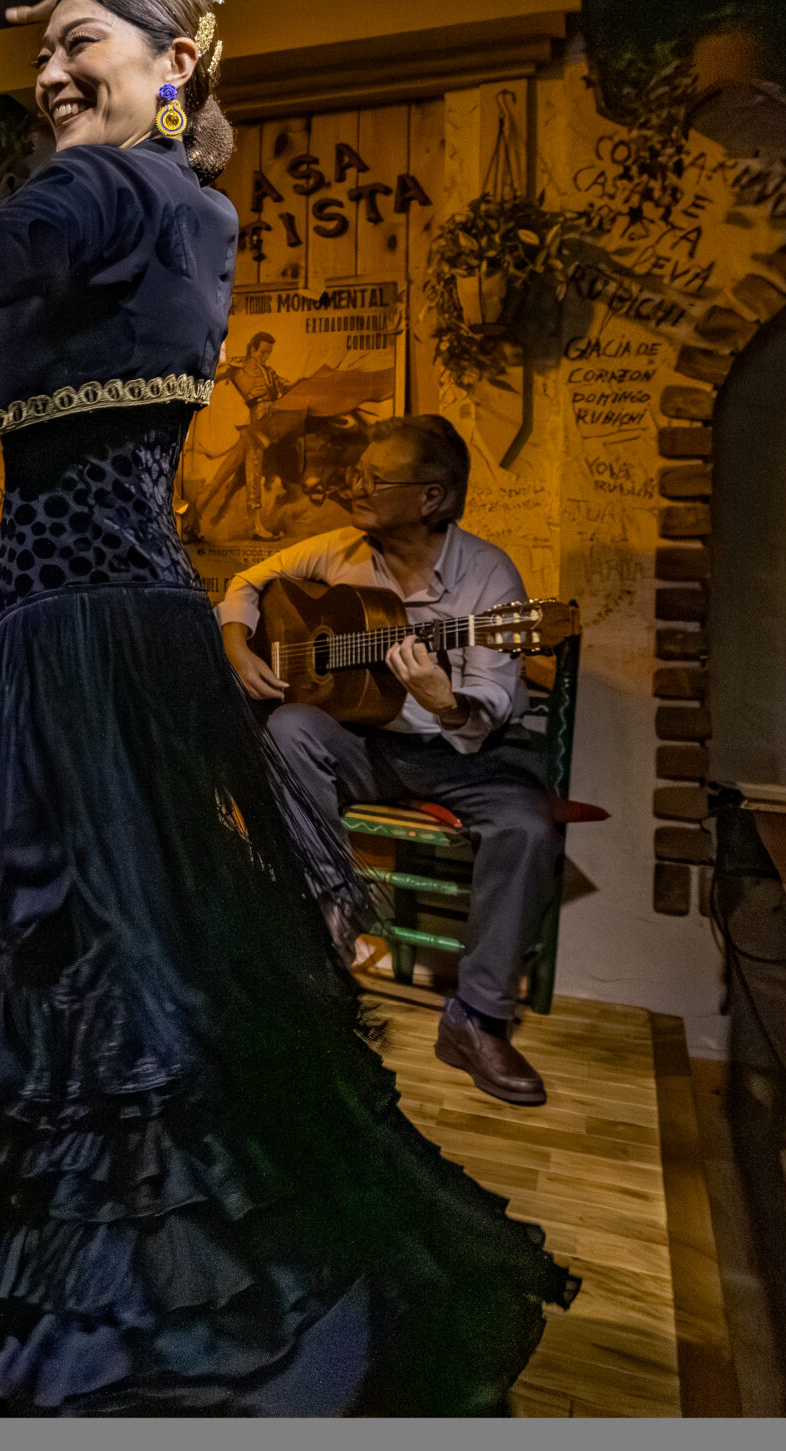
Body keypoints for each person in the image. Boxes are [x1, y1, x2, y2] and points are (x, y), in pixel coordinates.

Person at [0, 0, 574, 1416]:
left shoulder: (119, 187)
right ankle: (88, 1234)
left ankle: (173, 1273)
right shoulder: (150, 212)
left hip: (92, 628)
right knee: (72, 928)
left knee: (86, 932)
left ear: (176, 64)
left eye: (83, 43)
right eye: (44, 51)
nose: (52, 71)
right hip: (73, 607)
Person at [219, 415, 560, 1107]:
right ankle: (335, 909)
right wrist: (236, 645)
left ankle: (477, 1020)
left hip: (459, 754)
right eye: (359, 472)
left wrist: (446, 702)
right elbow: (247, 582)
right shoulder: (339, 549)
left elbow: (493, 701)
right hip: (367, 746)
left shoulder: (488, 577)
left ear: (431, 497)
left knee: (528, 828)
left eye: (375, 479)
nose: (354, 485)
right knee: (289, 726)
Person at [187, 329, 288, 541]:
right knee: (253, 475)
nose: (266, 356)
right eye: (262, 352)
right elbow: (211, 378)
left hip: (263, 427)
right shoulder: (239, 365)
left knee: (220, 477)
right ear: (252, 349)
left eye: (269, 352)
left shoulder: (269, 371)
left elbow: (284, 387)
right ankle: (257, 527)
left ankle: (188, 525)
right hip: (254, 429)